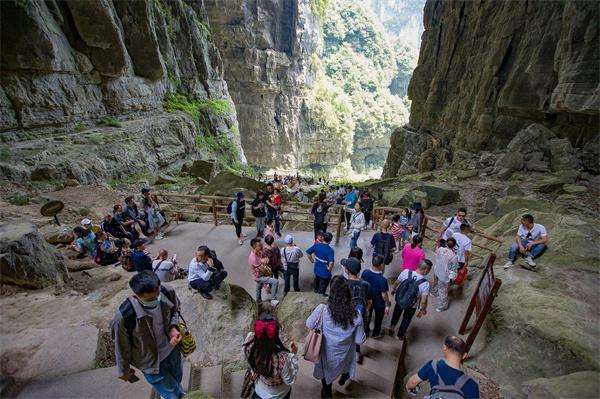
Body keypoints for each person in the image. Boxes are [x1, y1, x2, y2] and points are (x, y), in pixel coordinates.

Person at [110, 271, 184, 399]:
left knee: (177, 379)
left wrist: (173, 327)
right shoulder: (123, 317)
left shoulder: (167, 292)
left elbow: (175, 310)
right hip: (150, 363)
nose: (156, 300)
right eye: (150, 299)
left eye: (157, 295)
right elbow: (121, 347)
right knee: (173, 393)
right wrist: (124, 371)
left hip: (172, 350)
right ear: (136, 295)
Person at [306, 276, 366, 398]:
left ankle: (327, 394)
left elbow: (309, 324)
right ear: (348, 294)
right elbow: (359, 340)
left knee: (326, 375)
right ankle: (345, 375)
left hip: (326, 353)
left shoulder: (322, 310)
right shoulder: (356, 315)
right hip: (345, 353)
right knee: (345, 366)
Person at [243, 315, 299, 399]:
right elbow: (289, 380)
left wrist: (254, 370)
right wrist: (293, 355)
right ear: (275, 333)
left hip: (259, 389)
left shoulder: (249, 342)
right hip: (278, 395)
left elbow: (250, 360)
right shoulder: (283, 358)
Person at [405, 336, 479, 398]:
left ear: (444, 347)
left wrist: (409, 388)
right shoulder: (472, 386)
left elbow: (413, 381)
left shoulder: (433, 366)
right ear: (464, 355)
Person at [388, 259, 432, 340]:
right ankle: (400, 335)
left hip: (400, 299)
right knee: (406, 319)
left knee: (396, 313)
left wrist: (394, 290)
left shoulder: (406, 272)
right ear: (425, 270)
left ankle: (391, 327)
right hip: (412, 305)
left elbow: (397, 282)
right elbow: (423, 301)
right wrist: (423, 309)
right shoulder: (425, 284)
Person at [342, 257, 371, 364]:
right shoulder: (366, 284)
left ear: (346, 270)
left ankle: (345, 351)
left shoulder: (343, 284)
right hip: (361, 314)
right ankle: (357, 352)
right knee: (358, 332)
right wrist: (365, 312)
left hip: (346, 314)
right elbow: (369, 301)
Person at [361, 255, 390, 340]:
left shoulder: (365, 272)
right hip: (379, 303)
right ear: (381, 265)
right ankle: (375, 333)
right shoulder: (383, 280)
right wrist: (387, 304)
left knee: (367, 316)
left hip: (367, 300)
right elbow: (384, 295)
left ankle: (365, 331)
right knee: (378, 318)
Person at [249, 238, 279, 306]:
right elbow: (262, 270)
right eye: (259, 245)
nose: (262, 246)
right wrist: (269, 272)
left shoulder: (259, 252)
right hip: (258, 276)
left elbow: (266, 257)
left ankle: (258, 301)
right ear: (254, 247)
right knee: (275, 281)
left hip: (260, 273)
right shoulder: (253, 258)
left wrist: (265, 261)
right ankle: (273, 300)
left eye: (261, 244)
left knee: (259, 286)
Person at [431, 237, 458, 312]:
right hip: (445, 276)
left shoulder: (440, 249)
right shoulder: (454, 256)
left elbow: (437, 257)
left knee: (436, 284)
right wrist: (451, 278)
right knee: (443, 291)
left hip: (437, 270)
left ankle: (434, 293)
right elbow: (453, 269)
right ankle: (442, 306)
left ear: (446, 243)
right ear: (454, 246)